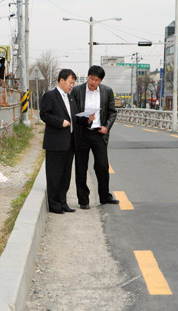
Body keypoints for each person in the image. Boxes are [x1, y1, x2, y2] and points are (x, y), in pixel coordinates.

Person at [40, 69, 93, 214]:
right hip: (55, 143)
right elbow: (44, 115)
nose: (71, 86)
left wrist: (87, 120)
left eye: (73, 83)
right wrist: (59, 122)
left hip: (70, 143)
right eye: (70, 82)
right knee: (54, 176)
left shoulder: (70, 98)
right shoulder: (50, 96)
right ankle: (54, 205)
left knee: (65, 176)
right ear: (62, 80)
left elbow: (74, 118)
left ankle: (63, 203)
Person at [71, 65, 119, 210]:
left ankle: (104, 196)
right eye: (91, 78)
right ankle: (83, 200)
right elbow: (72, 112)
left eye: (96, 80)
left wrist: (107, 127)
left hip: (99, 133)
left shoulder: (107, 91)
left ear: (100, 81)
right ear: (87, 76)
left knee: (102, 165)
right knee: (81, 167)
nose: (93, 82)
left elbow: (112, 112)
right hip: (82, 133)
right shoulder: (77, 91)